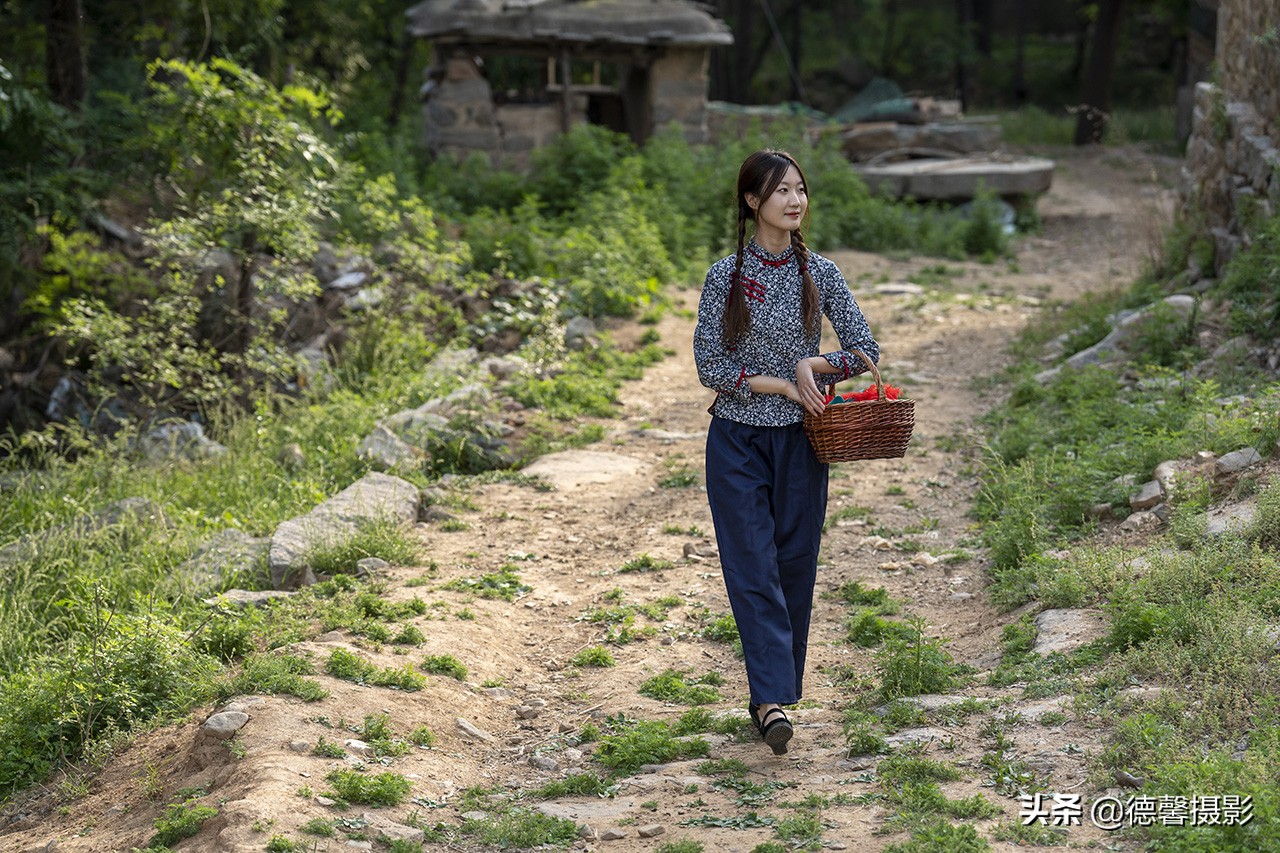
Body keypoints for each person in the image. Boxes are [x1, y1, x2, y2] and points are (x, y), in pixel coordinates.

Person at [693, 149, 879, 755]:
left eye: (801, 189)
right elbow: (709, 366)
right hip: (738, 440)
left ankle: (774, 690)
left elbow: (865, 351)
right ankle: (770, 700)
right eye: (781, 191)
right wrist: (777, 383)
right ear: (753, 202)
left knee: (794, 564)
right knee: (752, 565)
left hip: (804, 442)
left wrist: (813, 364)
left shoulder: (820, 273)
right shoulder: (726, 275)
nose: (795, 200)